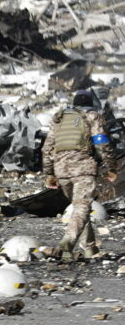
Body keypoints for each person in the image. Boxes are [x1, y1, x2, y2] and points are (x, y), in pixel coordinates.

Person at [42, 90, 116, 260]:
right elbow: (101, 143)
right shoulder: (92, 116)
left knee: (80, 209)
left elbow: (47, 149)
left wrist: (49, 174)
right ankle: (67, 240)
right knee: (82, 208)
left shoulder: (59, 118)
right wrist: (111, 167)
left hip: (61, 170)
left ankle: (90, 249)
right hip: (83, 169)